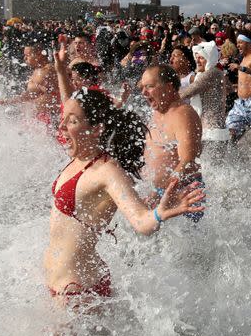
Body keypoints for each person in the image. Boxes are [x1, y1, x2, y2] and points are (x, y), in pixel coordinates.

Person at [44, 88, 205, 303]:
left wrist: (159, 213)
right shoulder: (79, 159)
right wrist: (61, 71)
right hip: (62, 284)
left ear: (96, 129)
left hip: (76, 291)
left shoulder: (107, 170)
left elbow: (141, 221)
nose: (61, 127)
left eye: (72, 122)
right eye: (63, 119)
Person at [140, 65, 204, 221]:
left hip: (183, 195)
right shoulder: (157, 112)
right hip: (160, 193)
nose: (143, 92)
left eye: (149, 86)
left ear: (169, 87)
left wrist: (160, 194)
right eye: (142, 87)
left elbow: (186, 161)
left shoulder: (183, 114)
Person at [0, 39, 59, 128]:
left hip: (48, 118)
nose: (24, 58)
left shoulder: (46, 72)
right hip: (39, 117)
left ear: (39, 54)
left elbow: (31, 95)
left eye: (27, 55)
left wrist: (9, 101)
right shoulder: (39, 70)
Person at [180, 41, 228, 142]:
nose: (197, 61)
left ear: (210, 59)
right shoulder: (213, 73)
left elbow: (187, 92)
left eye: (201, 58)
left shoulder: (212, 73)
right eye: (196, 58)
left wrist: (166, 97)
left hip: (213, 130)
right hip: (210, 128)